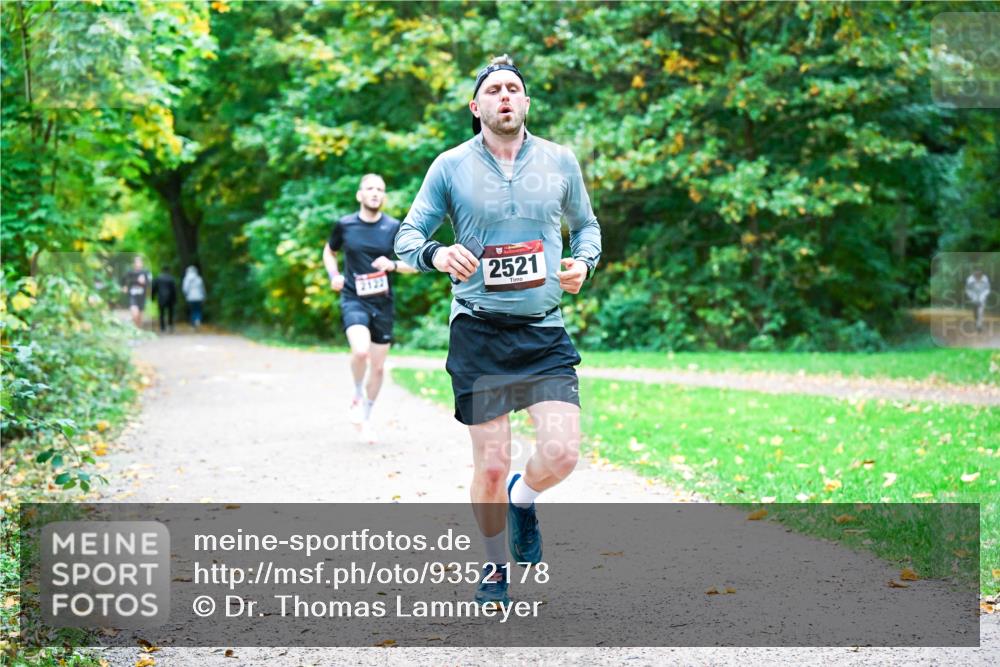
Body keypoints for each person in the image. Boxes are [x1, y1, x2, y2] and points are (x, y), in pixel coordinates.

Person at [394, 55, 602, 606]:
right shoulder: (450, 166)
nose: (504, 96)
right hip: (479, 331)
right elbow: (408, 237)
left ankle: (523, 498)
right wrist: (438, 255)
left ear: (526, 102)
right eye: (493, 90)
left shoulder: (559, 161)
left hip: (543, 330)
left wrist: (584, 262)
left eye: (513, 88)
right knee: (489, 463)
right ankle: (493, 567)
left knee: (561, 454)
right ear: (476, 105)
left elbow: (587, 227)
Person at [323, 173, 416, 443]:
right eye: (370, 188)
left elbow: (415, 263)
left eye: (380, 189)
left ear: (383, 196)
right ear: (360, 195)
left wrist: (393, 264)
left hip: (383, 303)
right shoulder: (345, 225)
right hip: (354, 298)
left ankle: (366, 417)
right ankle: (356, 393)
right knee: (361, 351)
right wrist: (334, 275)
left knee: (378, 368)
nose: (375, 193)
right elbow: (329, 251)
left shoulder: (393, 227)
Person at [121, 256, 151, 329]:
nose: (138, 264)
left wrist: (144, 282)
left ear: (142, 263)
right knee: (134, 313)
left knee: (140, 316)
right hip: (133, 295)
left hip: (142, 296)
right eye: (136, 262)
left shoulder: (145, 272)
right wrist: (124, 286)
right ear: (133, 264)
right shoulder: (130, 272)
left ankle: (138, 329)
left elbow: (149, 283)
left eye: (139, 262)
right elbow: (123, 280)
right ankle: (136, 329)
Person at [151, 267, 178, 333]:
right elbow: (174, 290)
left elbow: (154, 288)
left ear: (162, 271)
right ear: (169, 271)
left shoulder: (158, 278)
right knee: (170, 312)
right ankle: (170, 325)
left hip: (161, 298)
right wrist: (175, 299)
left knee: (161, 313)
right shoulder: (171, 278)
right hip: (170, 298)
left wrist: (153, 297)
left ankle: (162, 327)